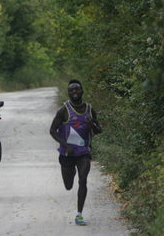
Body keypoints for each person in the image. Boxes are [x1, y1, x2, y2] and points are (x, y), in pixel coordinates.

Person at [49, 79, 102, 226]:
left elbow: (98, 131)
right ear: (68, 93)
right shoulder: (63, 110)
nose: (75, 92)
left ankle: (79, 214)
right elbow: (52, 131)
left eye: (77, 89)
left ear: (82, 91)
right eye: (71, 90)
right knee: (68, 185)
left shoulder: (90, 109)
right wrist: (65, 145)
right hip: (67, 154)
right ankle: (71, 172)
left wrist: (92, 125)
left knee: (83, 180)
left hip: (83, 152)